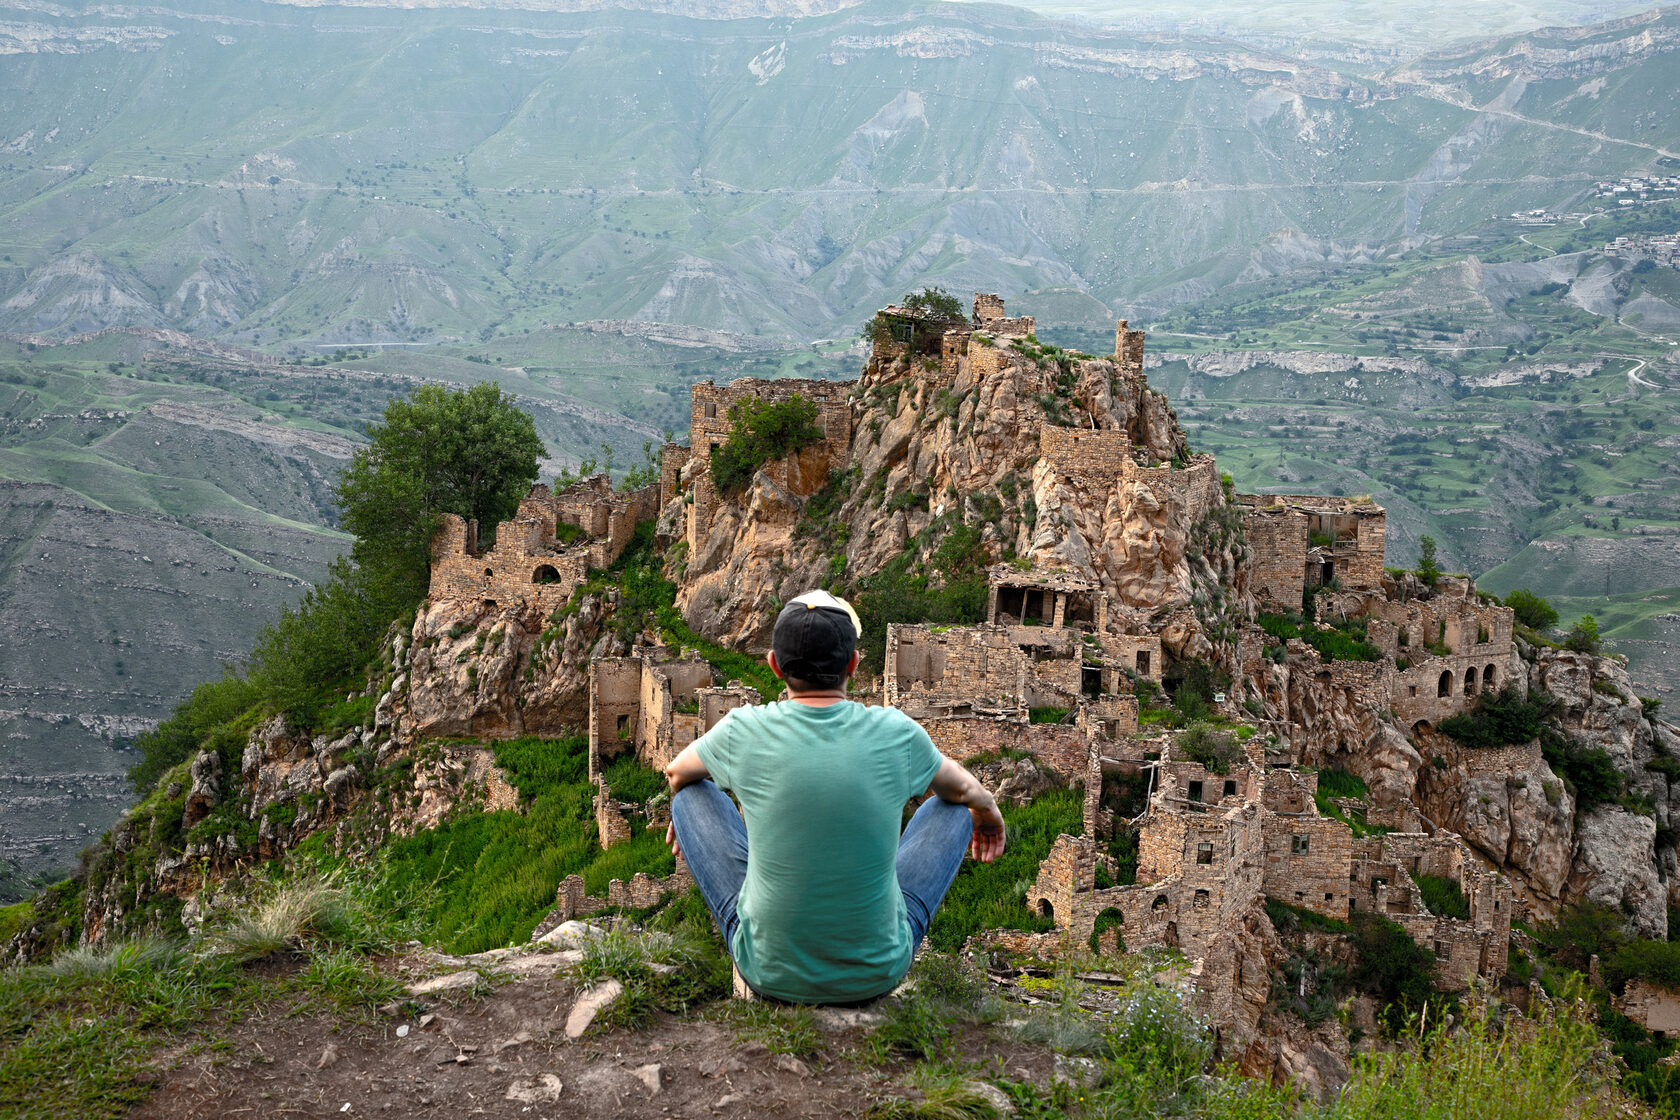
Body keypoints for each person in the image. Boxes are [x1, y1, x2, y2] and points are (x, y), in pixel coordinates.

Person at [663, 590, 1007, 1004]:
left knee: (689, 795)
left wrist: (685, 817)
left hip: (766, 970)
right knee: (952, 807)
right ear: (854, 665)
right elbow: (965, 789)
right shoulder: (896, 733)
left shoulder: (742, 729)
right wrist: (987, 812)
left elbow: (676, 772)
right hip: (878, 971)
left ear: (774, 665)